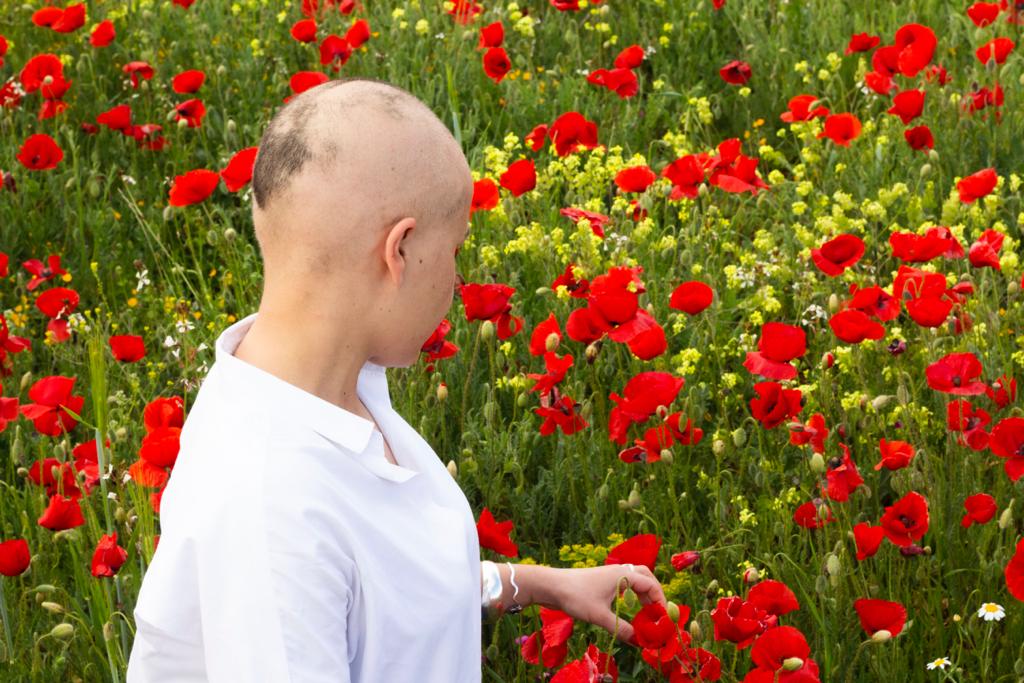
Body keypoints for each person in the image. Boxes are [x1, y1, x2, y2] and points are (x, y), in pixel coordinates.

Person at [126, 76, 667, 682]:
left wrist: (537, 584)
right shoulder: (273, 511)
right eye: (455, 249)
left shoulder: (323, 384)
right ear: (400, 250)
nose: (458, 282)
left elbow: (385, 592)